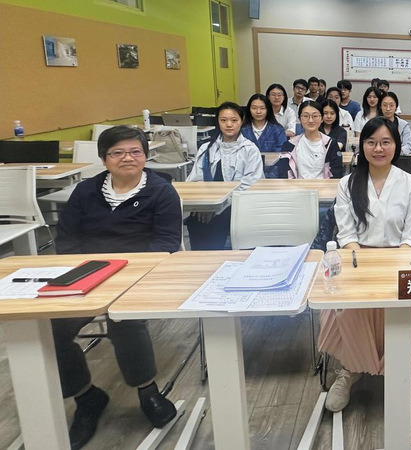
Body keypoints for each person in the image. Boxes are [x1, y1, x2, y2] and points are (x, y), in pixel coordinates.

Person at [54, 126, 181, 449]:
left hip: (139, 276)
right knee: (50, 327)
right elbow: (66, 240)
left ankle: (147, 391)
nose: (127, 158)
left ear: (145, 156)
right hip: (87, 275)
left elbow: (166, 244)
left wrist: (124, 275)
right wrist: (89, 272)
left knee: (123, 319)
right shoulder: (86, 191)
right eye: (117, 153)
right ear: (104, 159)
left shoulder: (161, 192)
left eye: (135, 152)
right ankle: (86, 397)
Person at [320, 116, 411, 412]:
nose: (378, 149)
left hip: (401, 258)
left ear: (396, 145)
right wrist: (364, 271)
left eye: (385, 142)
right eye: (371, 142)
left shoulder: (410, 184)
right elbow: (346, 233)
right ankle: (351, 368)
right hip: (359, 259)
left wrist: (391, 270)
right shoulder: (348, 183)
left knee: (410, 314)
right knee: (351, 310)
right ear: (362, 145)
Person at [186, 102, 264, 250]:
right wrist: (205, 206)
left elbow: (250, 184)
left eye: (234, 120)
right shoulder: (207, 148)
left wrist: (217, 207)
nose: (229, 124)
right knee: (195, 219)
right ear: (218, 121)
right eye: (223, 120)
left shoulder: (250, 150)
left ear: (241, 121)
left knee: (221, 220)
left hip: (237, 204)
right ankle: (202, 260)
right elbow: (195, 180)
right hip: (208, 203)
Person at [278, 100, 344, 179]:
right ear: (299, 119)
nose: (310, 120)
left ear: (321, 119)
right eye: (306, 116)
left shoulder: (330, 144)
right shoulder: (289, 145)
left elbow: (337, 174)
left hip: (325, 186)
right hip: (297, 186)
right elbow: (283, 174)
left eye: (315, 116)